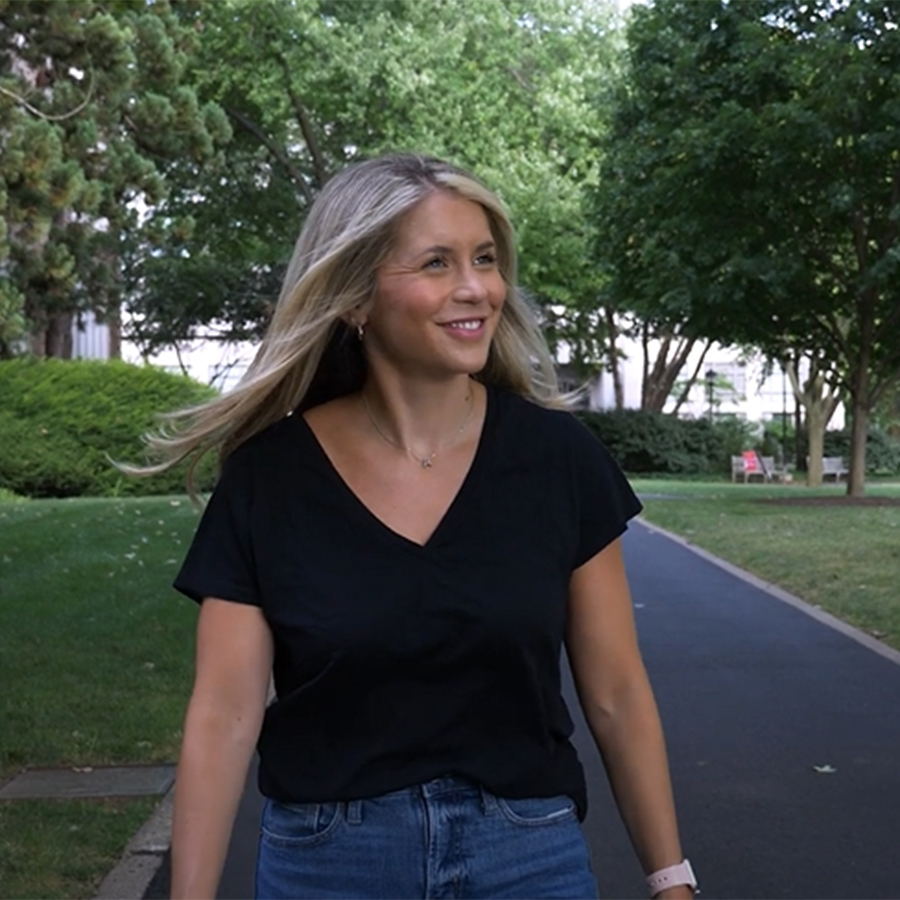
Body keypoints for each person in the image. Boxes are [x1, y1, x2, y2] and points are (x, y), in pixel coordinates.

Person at [150, 153, 696, 900]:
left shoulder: (556, 459)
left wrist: (672, 882)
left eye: (484, 259)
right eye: (436, 263)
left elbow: (617, 693)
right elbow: (224, 713)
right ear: (354, 299)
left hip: (528, 857)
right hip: (329, 865)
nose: (476, 288)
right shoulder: (270, 477)